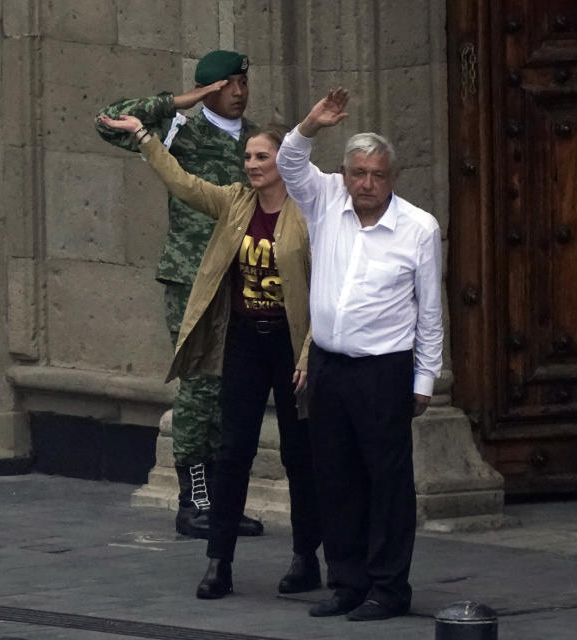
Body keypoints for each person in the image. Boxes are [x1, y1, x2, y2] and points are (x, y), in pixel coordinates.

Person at [97, 108, 322, 600]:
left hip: (290, 345)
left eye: (261, 156)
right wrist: (143, 137)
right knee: (233, 451)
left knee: (297, 454)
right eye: (247, 156)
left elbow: (325, 288)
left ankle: (307, 558)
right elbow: (183, 184)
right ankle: (219, 562)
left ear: (284, 161)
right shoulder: (236, 203)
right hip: (245, 341)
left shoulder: (308, 213)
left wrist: (308, 351)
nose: (250, 164)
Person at [276, 88, 444, 622]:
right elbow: (288, 160)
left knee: (387, 484)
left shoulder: (419, 228)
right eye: (357, 173)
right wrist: (312, 122)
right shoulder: (325, 201)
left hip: (384, 371)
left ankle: (388, 587)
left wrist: (424, 381)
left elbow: (430, 312)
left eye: (377, 175)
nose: (365, 184)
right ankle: (346, 581)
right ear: (344, 175)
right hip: (328, 366)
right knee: (336, 476)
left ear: (392, 178)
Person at [94, 50, 262, 539]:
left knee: (234, 392)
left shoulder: (257, 140)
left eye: (242, 83)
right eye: (227, 84)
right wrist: (179, 100)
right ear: (209, 89)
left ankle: (226, 503)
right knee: (201, 387)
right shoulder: (179, 131)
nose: (237, 91)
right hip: (192, 277)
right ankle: (196, 503)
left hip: (244, 279)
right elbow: (107, 120)